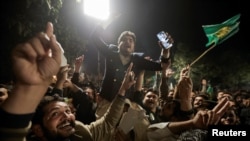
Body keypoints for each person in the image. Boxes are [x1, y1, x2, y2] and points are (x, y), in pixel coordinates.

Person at [0, 22, 136, 141]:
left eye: (68, 111)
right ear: (38, 130)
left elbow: (107, 123)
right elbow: (10, 135)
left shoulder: (81, 133)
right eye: (55, 113)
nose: (66, 116)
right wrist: (27, 88)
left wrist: (123, 89)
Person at [91, 27, 173, 118]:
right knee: (101, 130)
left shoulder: (138, 60)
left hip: (125, 106)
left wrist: (166, 51)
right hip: (105, 102)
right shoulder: (111, 52)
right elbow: (95, 38)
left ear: (134, 47)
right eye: (124, 40)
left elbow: (161, 66)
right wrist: (105, 23)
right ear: (118, 44)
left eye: (131, 40)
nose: (128, 42)